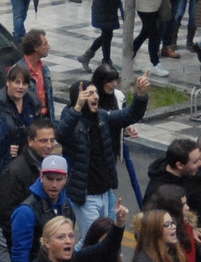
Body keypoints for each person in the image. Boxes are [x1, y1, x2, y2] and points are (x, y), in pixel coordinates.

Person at [59, 76, 148, 238]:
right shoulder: (72, 121)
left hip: (106, 194)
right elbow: (61, 135)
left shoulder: (102, 117)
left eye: (95, 92)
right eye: (89, 94)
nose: (95, 97)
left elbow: (129, 115)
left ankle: (77, 261)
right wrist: (78, 107)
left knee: (106, 239)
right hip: (86, 197)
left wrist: (140, 95)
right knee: (93, 241)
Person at [75, 0, 127, 72]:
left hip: (112, 4)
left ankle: (92, 57)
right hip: (102, 5)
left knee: (108, 34)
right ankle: (104, 60)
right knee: (107, 34)